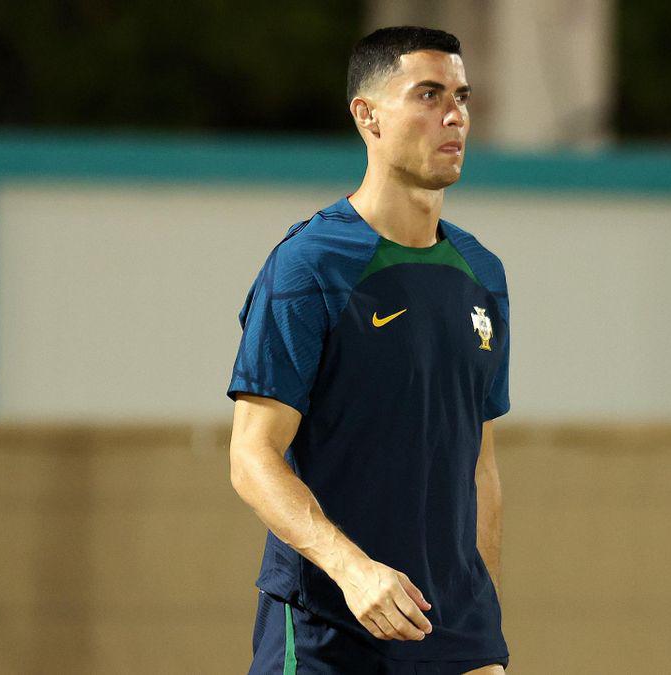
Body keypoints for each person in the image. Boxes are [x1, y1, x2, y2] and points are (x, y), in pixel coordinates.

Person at [227, 26, 511, 674]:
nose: (455, 115)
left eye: (462, 97)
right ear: (368, 115)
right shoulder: (307, 267)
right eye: (430, 94)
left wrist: (479, 618)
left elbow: (480, 467)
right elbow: (251, 454)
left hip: (453, 637)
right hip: (329, 632)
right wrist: (352, 570)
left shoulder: (483, 273)